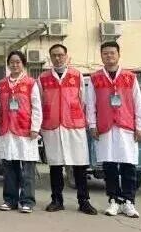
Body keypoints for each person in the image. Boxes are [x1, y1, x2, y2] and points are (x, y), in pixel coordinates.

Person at [86, 41, 141, 218]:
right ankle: (114, 200)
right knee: (109, 166)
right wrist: (92, 125)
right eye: (105, 53)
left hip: (126, 127)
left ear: (119, 54)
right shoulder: (95, 78)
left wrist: (140, 126)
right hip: (105, 127)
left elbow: (138, 102)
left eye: (112, 53)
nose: (109, 56)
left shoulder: (130, 77)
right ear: (101, 56)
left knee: (128, 165)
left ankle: (129, 202)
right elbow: (90, 104)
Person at [38, 44, 97, 215]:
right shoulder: (43, 78)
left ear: (66, 56)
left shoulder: (76, 75)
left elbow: (83, 101)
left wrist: (88, 122)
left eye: (60, 55)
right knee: (55, 165)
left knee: (79, 165)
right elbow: (40, 102)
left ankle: (84, 201)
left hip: (74, 125)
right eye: (54, 55)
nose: (58, 58)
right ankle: (57, 200)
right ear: (50, 58)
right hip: (52, 125)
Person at [0, 50, 42, 213]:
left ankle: (27, 201)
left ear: (23, 64)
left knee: (27, 166)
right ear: (8, 64)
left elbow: (36, 106)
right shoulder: (2, 84)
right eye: (12, 62)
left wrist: (35, 128)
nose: (15, 65)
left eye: (18, 62)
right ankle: (10, 200)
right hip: (7, 130)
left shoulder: (30, 83)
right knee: (9, 166)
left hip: (25, 129)